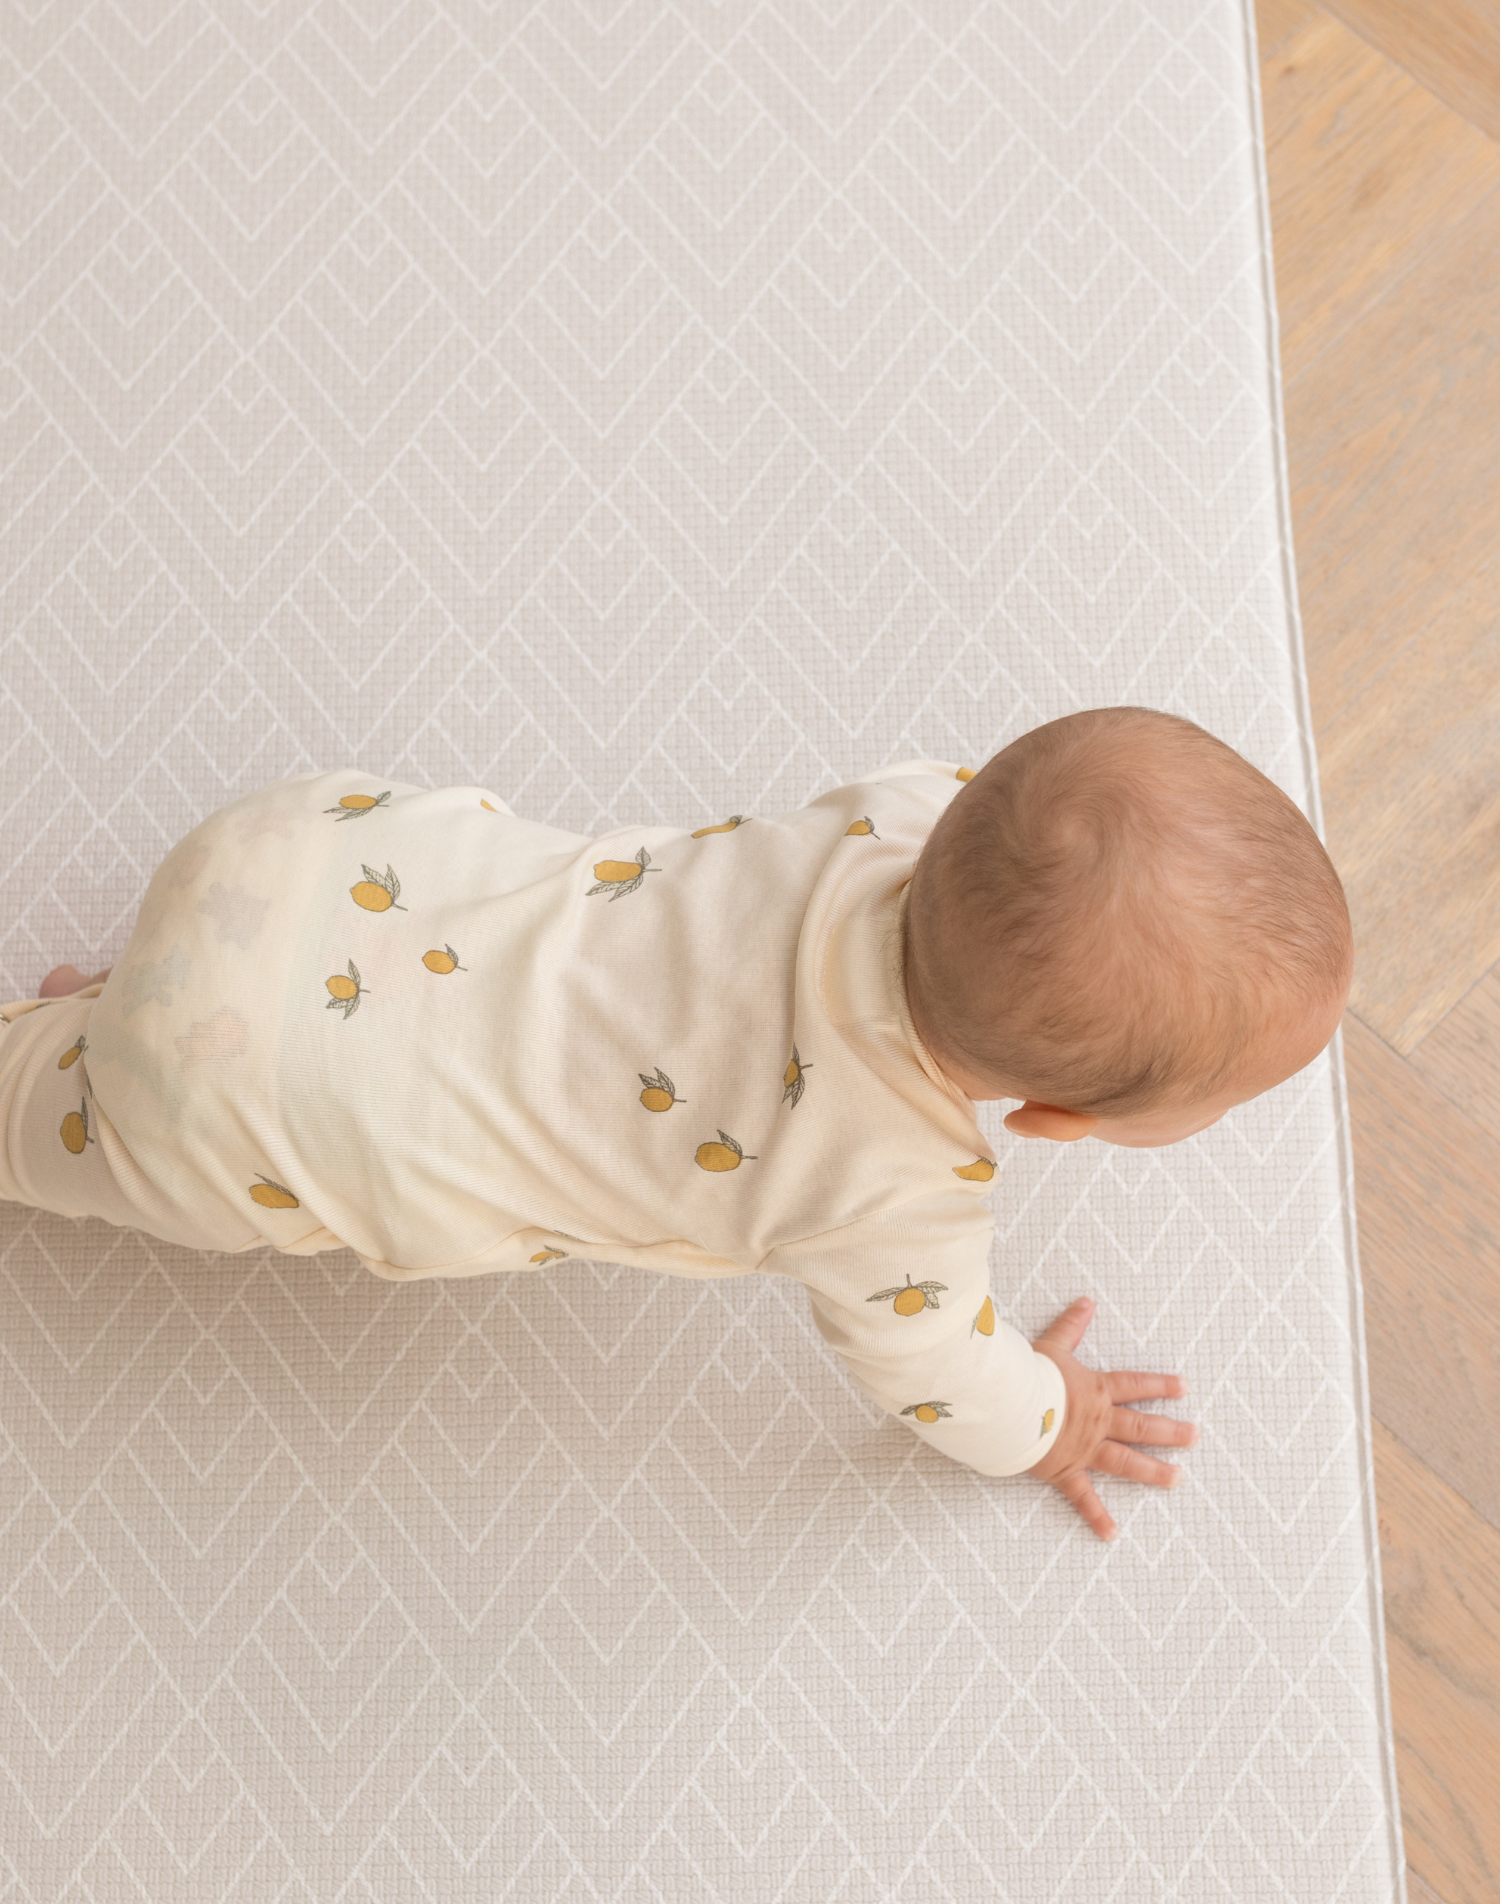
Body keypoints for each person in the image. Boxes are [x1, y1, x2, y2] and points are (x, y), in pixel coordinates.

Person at [0, 707, 1352, 1542]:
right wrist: (1048, 1421)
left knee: (258, 1001)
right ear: (1055, 1118)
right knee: (82, 1117)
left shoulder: (899, 820)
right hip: (254, 1107)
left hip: (303, 863)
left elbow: (1022, 826)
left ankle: (127, 1016)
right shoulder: (894, 1202)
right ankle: (106, 1066)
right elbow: (938, 1368)